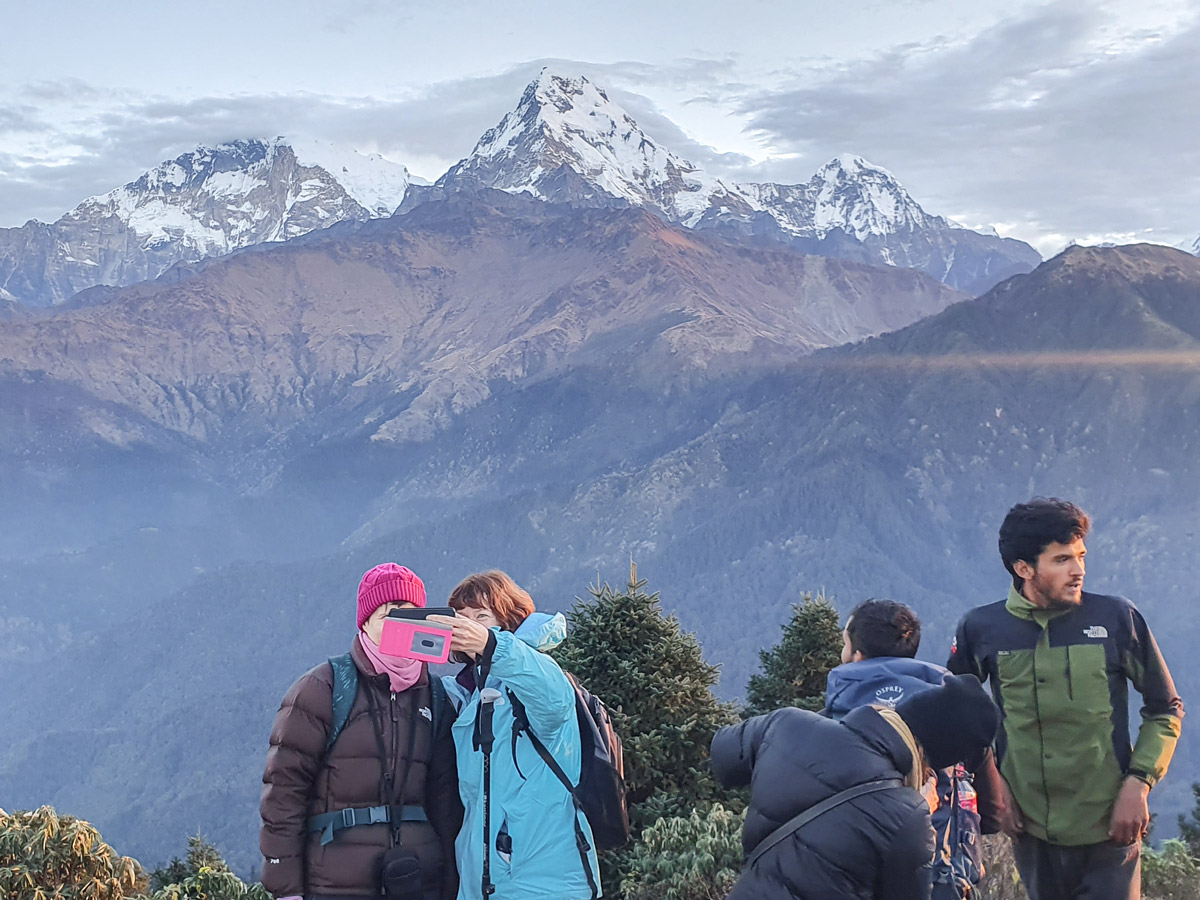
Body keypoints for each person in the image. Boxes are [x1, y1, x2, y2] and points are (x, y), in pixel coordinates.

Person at [947, 498, 1185, 900]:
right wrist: (994, 788)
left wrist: (1139, 784)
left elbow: (1165, 709)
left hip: (1111, 827)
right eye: (1061, 560)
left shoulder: (1116, 619)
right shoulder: (982, 628)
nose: (1079, 571)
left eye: (1080, 556)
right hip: (1030, 831)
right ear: (1023, 569)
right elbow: (954, 715)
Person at [260, 563, 462, 900]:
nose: (403, 623)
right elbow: (284, 795)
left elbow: (448, 807)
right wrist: (286, 889)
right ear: (366, 621)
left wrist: (454, 886)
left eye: (412, 614)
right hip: (335, 884)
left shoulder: (438, 698)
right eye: (390, 613)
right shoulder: (322, 689)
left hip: (419, 881)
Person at [713, 672, 1000, 900]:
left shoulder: (787, 723)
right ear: (928, 764)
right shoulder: (908, 816)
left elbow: (722, 760)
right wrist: (921, 810)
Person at [428, 570, 601, 900]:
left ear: (508, 621)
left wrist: (492, 646)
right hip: (483, 881)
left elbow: (547, 692)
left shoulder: (540, 677)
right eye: (462, 618)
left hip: (543, 882)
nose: (470, 626)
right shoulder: (468, 697)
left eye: (482, 616)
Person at [825, 599, 1002, 900]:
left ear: (856, 656)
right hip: (946, 882)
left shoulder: (829, 723)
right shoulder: (957, 714)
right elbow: (994, 814)